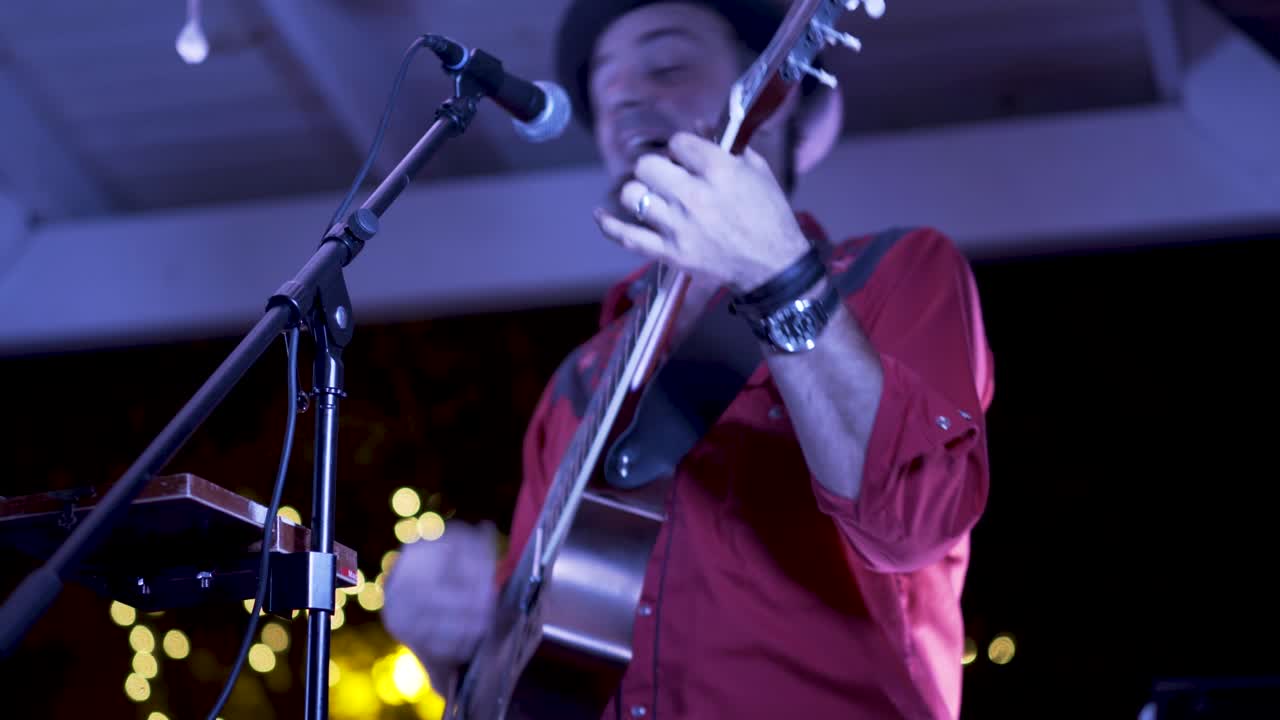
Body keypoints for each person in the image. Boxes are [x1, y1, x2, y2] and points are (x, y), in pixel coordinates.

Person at [383, 1, 995, 718]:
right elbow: (531, 675)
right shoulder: (579, 381)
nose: (624, 98)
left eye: (667, 62)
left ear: (775, 88)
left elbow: (913, 522)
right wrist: (445, 646)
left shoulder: (895, 272)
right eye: (603, 83)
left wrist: (780, 278)